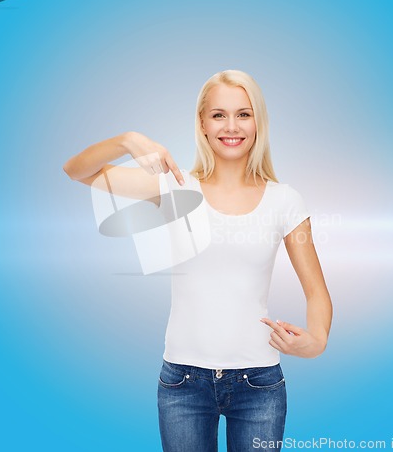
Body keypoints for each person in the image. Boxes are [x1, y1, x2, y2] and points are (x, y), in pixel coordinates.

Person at [63, 70, 332, 452]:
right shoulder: (175, 187)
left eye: (244, 113)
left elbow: (317, 292)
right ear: (202, 123)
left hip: (259, 384)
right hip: (183, 384)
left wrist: (317, 341)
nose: (231, 126)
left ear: (259, 122)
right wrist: (127, 140)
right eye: (219, 115)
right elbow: (76, 171)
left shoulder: (285, 200)